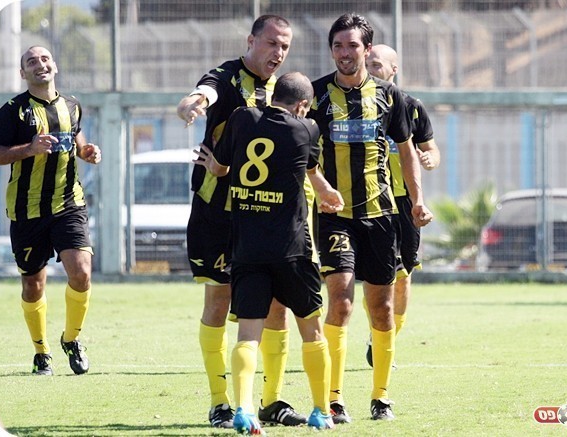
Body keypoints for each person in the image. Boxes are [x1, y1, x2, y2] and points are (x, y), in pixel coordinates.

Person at [175, 15, 306, 428]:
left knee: (276, 307)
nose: (278, 52)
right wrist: (193, 102)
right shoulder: (227, 76)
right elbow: (206, 90)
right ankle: (219, 402)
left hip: (265, 215)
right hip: (217, 212)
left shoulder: (286, 90)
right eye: (272, 43)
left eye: (284, 46)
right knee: (219, 300)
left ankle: (272, 400)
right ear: (251, 40)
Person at [198, 71, 344, 434]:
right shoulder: (307, 129)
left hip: (247, 249)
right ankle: (321, 411)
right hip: (292, 249)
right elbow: (309, 168)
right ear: (303, 105)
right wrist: (326, 192)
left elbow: (221, 167)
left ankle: (243, 410)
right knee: (312, 331)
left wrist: (211, 165)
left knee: (248, 334)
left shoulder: (241, 118)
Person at [308, 13, 434, 423]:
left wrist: (417, 200)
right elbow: (301, 151)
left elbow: (407, 150)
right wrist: (317, 188)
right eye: (337, 46)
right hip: (334, 216)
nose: (344, 53)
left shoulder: (390, 96)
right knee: (341, 302)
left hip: (381, 215)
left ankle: (381, 397)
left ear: (366, 49)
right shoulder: (316, 95)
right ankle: (333, 398)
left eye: (352, 46)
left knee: (381, 308)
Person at [0, 46, 101, 376]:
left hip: (69, 203)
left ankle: (72, 339)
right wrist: (29, 149)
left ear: (54, 65)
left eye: (45, 59)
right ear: (23, 73)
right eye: (31, 62)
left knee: (81, 273)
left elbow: (76, 138)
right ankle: (42, 352)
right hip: (27, 209)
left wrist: (86, 151)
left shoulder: (72, 105)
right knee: (33, 285)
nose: (40, 64)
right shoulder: (13, 111)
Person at [364, 44, 441, 367]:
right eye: (367, 64)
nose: (370, 69)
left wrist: (429, 159)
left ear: (393, 69)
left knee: (403, 276)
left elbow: (432, 150)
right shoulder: (356, 105)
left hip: (404, 202)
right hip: (370, 199)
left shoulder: (411, 107)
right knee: (376, 275)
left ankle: (383, 340)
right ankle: (378, 336)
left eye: (376, 65)